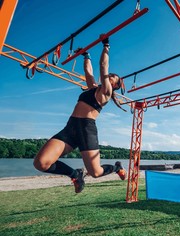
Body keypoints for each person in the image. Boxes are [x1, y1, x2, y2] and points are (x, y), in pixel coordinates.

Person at [33, 36, 126, 193]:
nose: (109, 78)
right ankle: (75, 174)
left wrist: (106, 45)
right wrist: (86, 56)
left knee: (96, 173)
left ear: (114, 86)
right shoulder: (93, 89)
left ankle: (116, 168)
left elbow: (103, 67)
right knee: (41, 163)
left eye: (112, 79)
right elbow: (88, 72)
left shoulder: (106, 93)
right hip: (70, 127)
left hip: (86, 130)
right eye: (110, 77)